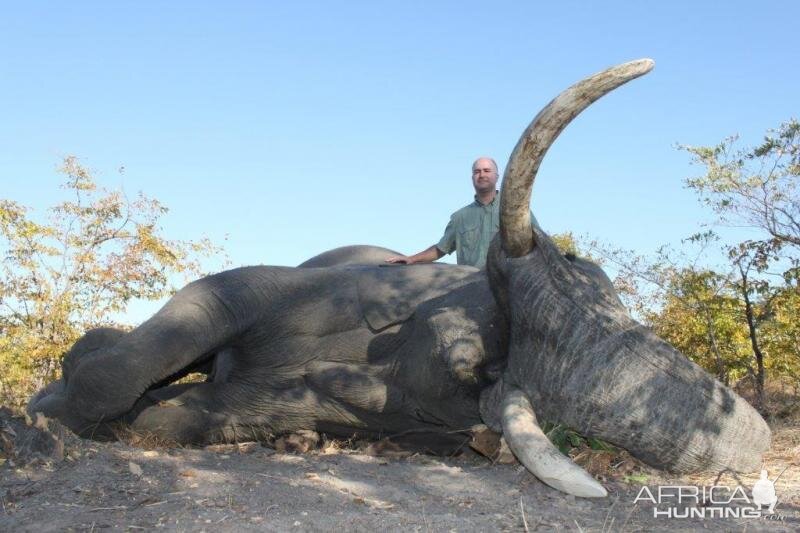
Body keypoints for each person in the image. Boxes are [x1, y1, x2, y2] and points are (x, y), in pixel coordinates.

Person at [386, 157, 501, 269]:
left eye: (487, 170)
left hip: (507, 282)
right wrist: (411, 259)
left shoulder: (514, 210)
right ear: (472, 178)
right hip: (473, 283)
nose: (481, 175)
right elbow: (440, 249)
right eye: (477, 172)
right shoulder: (459, 217)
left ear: (496, 177)